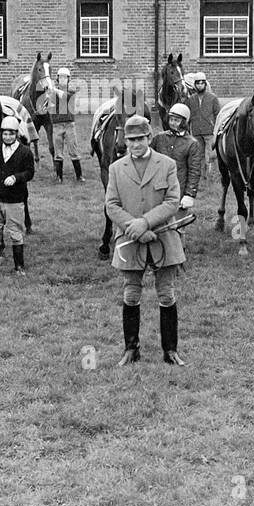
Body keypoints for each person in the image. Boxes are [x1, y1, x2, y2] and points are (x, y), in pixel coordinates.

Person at [105, 114, 187, 366]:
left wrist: (146, 222)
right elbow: (111, 205)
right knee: (131, 293)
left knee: (166, 293)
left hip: (163, 238)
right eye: (131, 140)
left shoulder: (167, 164)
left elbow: (172, 201)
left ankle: (170, 350)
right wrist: (137, 228)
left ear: (149, 138)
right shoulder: (116, 168)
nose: (135, 144)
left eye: (140, 138)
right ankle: (131, 349)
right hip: (130, 239)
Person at [0, 115, 35, 275]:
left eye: (11, 134)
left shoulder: (25, 152)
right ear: (1, 134)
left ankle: (19, 266)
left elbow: (30, 173)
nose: (8, 137)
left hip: (14, 200)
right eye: (5, 134)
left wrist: (16, 177)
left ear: (16, 134)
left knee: (15, 233)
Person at [151, 103, 203, 214]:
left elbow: (194, 171)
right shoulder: (159, 138)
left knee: (176, 227)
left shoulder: (192, 143)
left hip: (179, 188)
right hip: (157, 187)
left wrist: (190, 194)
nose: (173, 123)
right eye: (171, 119)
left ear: (184, 122)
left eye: (176, 120)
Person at [47, 66, 84, 183]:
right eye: (61, 77)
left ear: (68, 79)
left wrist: (53, 90)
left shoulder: (71, 92)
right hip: (57, 125)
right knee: (58, 152)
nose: (63, 79)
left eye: (65, 77)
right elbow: (49, 107)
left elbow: (65, 96)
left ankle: (79, 176)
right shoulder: (52, 93)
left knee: (73, 150)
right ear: (57, 79)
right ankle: (59, 177)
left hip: (69, 125)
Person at [182, 73, 220, 181]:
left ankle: (211, 177)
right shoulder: (191, 100)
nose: (200, 85)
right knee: (199, 155)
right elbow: (187, 116)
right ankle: (202, 177)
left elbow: (218, 114)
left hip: (209, 131)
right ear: (194, 85)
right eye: (197, 83)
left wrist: (216, 129)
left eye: (202, 83)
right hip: (196, 131)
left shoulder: (212, 98)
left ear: (205, 84)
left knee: (210, 156)